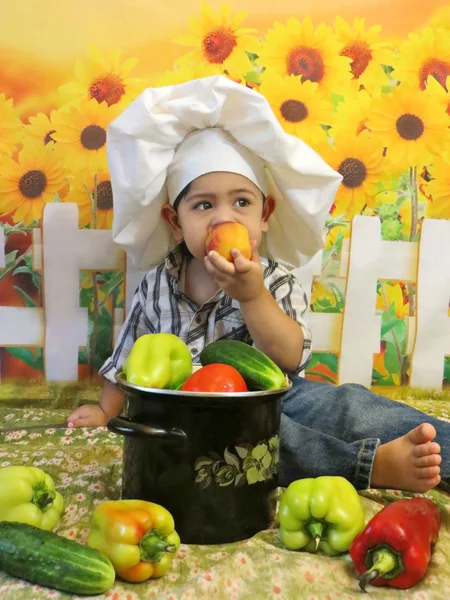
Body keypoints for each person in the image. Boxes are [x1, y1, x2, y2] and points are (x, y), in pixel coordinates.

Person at [67, 76, 447, 494]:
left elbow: (288, 360)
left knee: (344, 404)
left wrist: (252, 296)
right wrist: (106, 409)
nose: (223, 217)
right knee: (261, 441)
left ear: (265, 215)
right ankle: (368, 466)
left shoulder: (274, 279)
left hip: (272, 395)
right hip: (187, 415)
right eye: (204, 204)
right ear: (175, 223)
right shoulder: (157, 285)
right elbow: (128, 354)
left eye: (241, 202)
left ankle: (442, 445)